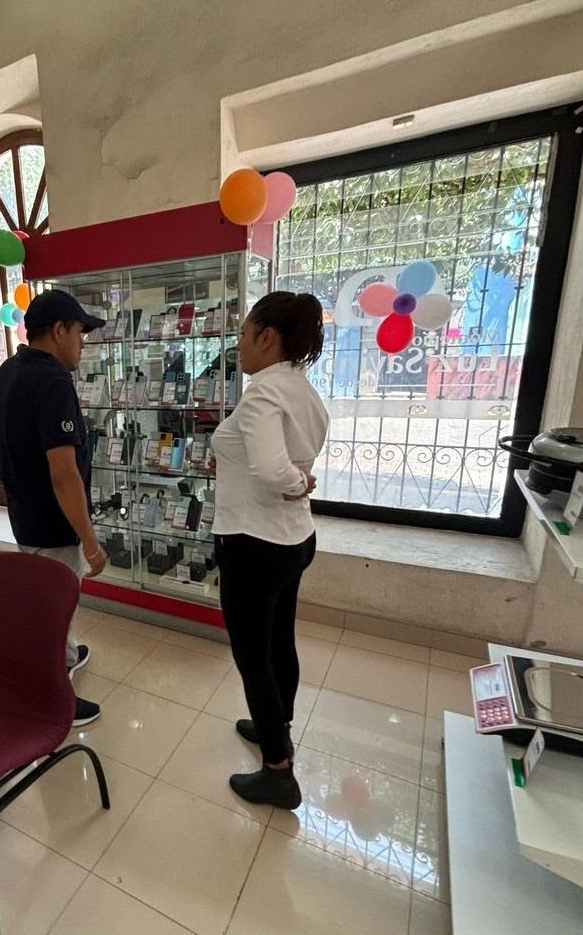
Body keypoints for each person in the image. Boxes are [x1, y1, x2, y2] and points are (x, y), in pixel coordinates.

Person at [211, 291, 329, 808]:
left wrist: (297, 482)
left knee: (252, 656)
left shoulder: (263, 393)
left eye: (243, 333)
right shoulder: (301, 388)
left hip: (253, 545)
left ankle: (278, 772)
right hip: (293, 539)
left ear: (267, 337)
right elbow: (278, 455)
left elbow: (270, 467)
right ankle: (275, 725)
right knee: (280, 641)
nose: (238, 343)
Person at [0, 289, 108, 726]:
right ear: (58, 330)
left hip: (25, 513)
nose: (82, 343)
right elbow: (64, 474)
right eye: (79, 332)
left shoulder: (11, 368)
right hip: (53, 522)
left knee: (50, 602)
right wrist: (90, 543)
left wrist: (8, 463)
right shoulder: (52, 381)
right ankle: (56, 699)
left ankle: (67, 655)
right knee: (53, 610)